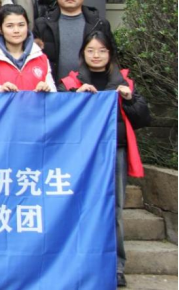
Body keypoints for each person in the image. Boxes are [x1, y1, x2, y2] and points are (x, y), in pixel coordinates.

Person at [59, 31, 151, 288]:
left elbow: (143, 118)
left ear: (110, 54)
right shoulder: (69, 82)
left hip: (115, 151)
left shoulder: (125, 82)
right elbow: (58, 113)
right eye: (90, 50)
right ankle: (79, 263)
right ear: (82, 54)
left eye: (102, 50)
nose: (96, 55)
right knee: (78, 207)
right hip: (80, 156)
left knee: (115, 209)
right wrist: (75, 96)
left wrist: (129, 100)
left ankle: (116, 266)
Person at [33, 0, 113, 83]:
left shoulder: (99, 24)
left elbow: (113, 59)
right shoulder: (42, 25)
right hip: (52, 88)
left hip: (90, 88)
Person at [0, 4, 56, 93]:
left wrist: (46, 91)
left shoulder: (41, 59)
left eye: (21, 25)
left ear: (27, 26)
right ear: (0, 29)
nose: (16, 30)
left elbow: (54, 96)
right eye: (10, 26)